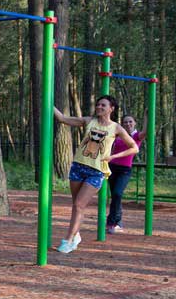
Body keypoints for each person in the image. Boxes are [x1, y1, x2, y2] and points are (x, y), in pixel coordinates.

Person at [54, 95, 139, 253]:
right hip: (78, 166)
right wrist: (47, 99)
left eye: (103, 105)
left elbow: (134, 147)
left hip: (96, 171)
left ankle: (68, 240)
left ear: (111, 109)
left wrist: (113, 156)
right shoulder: (88, 121)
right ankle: (76, 235)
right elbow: (62, 118)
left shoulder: (116, 128)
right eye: (98, 104)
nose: (99, 107)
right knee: (76, 205)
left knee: (79, 204)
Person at [107, 115, 147, 234]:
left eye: (130, 121)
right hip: (112, 167)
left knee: (117, 193)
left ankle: (113, 221)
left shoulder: (136, 136)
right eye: (125, 122)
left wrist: (146, 116)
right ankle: (116, 223)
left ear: (134, 123)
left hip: (124, 169)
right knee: (115, 196)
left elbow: (145, 131)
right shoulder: (119, 135)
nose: (128, 124)